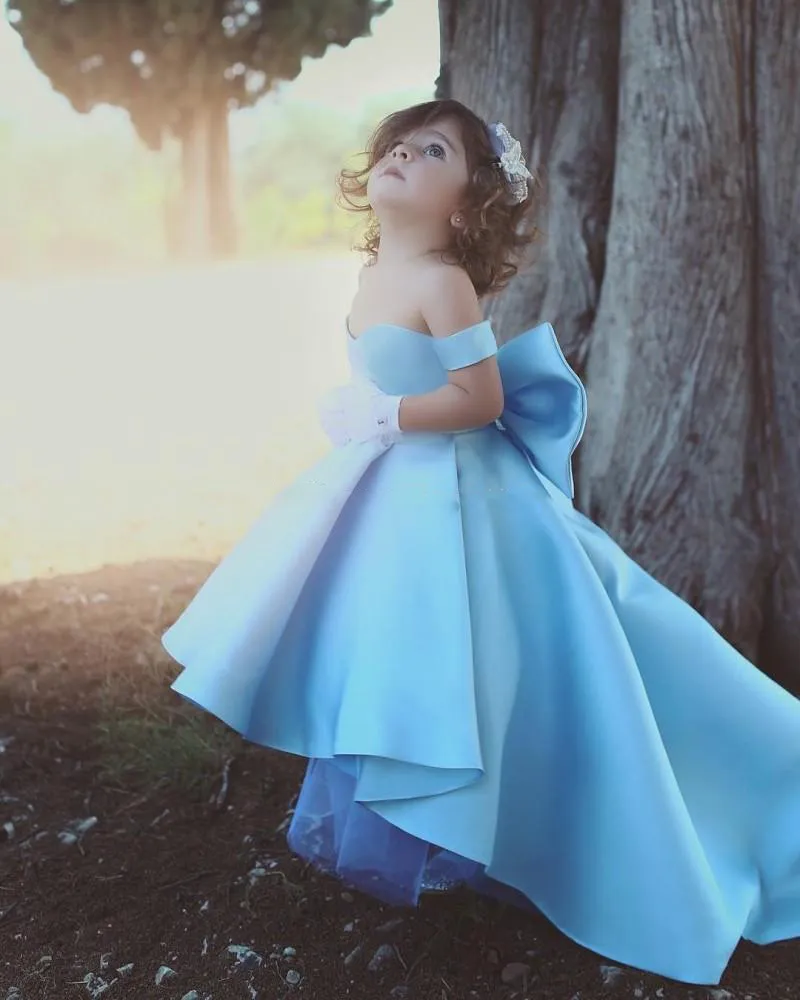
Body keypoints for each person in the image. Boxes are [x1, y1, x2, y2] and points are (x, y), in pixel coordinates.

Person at [162, 99, 800, 986]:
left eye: (432, 152)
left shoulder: (440, 282)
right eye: (398, 143)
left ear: (463, 207)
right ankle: (439, 825)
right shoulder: (374, 276)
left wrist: (388, 412)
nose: (401, 157)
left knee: (504, 659)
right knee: (404, 656)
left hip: (464, 503)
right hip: (398, 496)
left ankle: (703, 800)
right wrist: (364, 417)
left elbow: (482, 399)